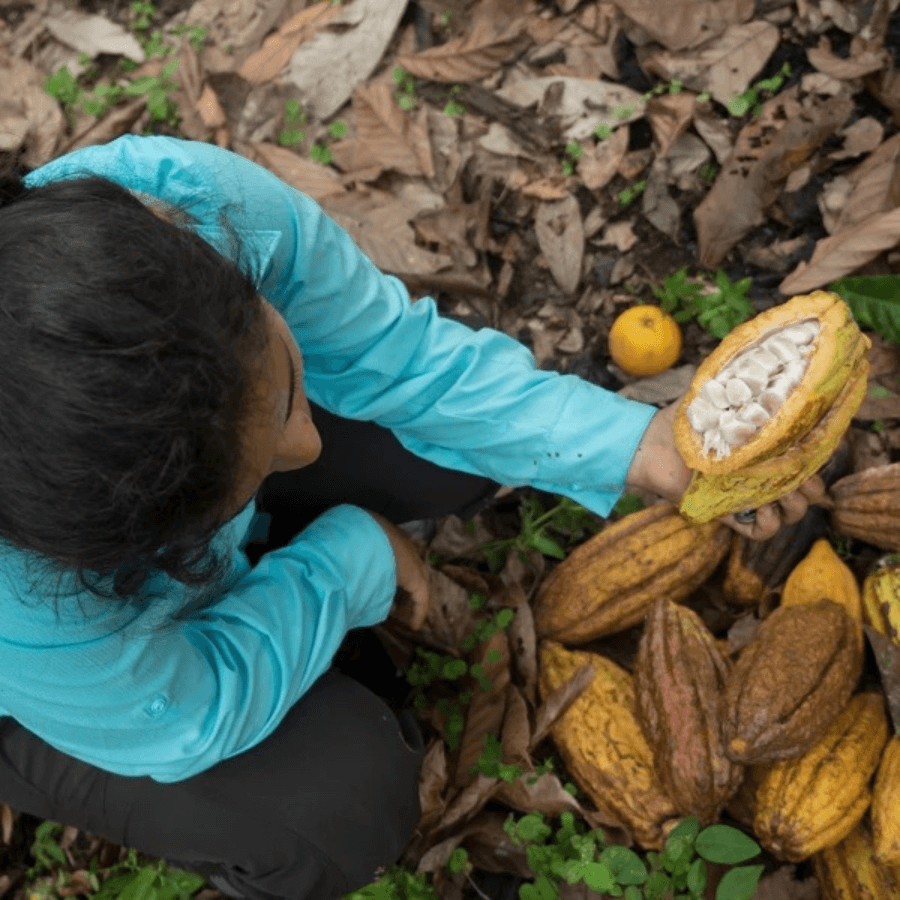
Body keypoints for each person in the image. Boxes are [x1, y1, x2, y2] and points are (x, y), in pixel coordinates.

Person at [0, 134, 821, 900]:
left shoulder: (184, 206)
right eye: (240, 481)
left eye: (287, 386)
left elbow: (406, 363)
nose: (307, 441)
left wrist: (640, 447)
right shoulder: (32, 600)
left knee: (439, 451)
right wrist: (347, 559)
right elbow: (182, 719)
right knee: (334, 810)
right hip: (58, 687)